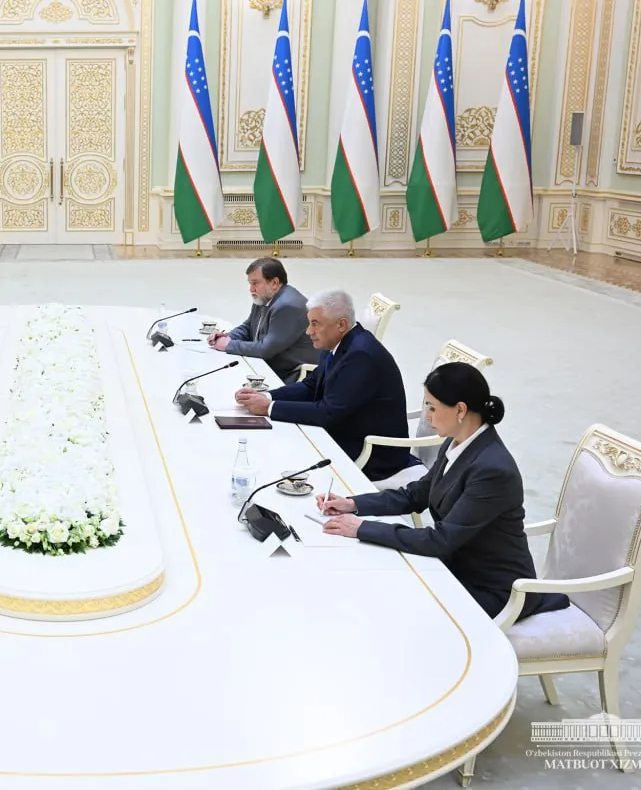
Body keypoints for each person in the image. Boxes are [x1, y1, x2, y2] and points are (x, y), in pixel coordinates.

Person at [318, 362, 570, 621]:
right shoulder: (457, 442)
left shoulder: (493, 469)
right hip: (454, 566)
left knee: (396, 609)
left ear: (460, 409)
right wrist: (353, 504)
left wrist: (361, 528)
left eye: (432, 407)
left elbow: (441, 540)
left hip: (493, 589)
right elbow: (415, 495)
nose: (427, 416)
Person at [235, 289, 420, 481]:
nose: (308, 331)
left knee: (280, 452)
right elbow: (310, 386)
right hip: (346, 431)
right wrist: (267, 397)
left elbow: (328, 413)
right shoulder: (336, 342)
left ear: (341, 324)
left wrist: (270, 408)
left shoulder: (361, 355)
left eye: (315, 324)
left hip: (372, 454)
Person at [208, 257, 319, 383]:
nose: (251, 289)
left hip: (292, 375)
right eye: (250, 283)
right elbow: (248, 327)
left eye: (255, 283)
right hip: (270, 367)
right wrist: (227, 337)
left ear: (274, 283)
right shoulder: (264, 298)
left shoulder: (288, 306)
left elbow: (266, 349)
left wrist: (229, 345)